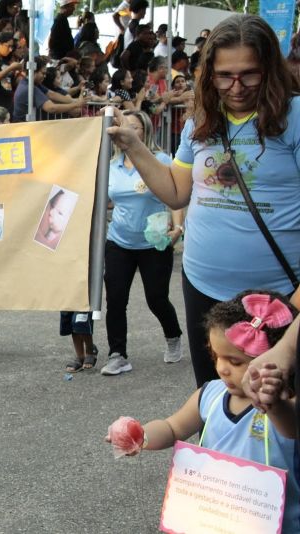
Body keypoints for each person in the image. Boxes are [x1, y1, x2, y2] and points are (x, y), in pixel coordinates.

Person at [106, 14, 300, 387]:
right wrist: (134, 146)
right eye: (224, 75)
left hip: (279, 298)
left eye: (250, 73)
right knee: (213, 404)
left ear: (271, 69)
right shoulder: (201, 121)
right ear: (208, 73)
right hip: (203, 288)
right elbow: (176, 190)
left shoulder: (295, 117)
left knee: (275, 422)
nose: (237, 86)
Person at [111, 290, 299, 533]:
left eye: (236, 361)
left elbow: (291, 427)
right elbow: (172, 427)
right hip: (214, 517)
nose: (222, 368)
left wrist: (273, 403)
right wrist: (141, 435)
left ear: (272, 360)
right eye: (216, 356)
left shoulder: (283, 403)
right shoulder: (210, 394)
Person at [101, 111, 184, 376]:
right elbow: (106, 200)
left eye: (133, 127)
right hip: (118, 240)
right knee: (115, 299)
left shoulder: (160, 160)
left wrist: (178, 227)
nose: (126, 130)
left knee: (156, 299)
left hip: (154, 241)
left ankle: (173, 337)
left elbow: (174, 197)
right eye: (123, 126)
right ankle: (118, 354)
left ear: (145, 131)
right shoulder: (111, 164)